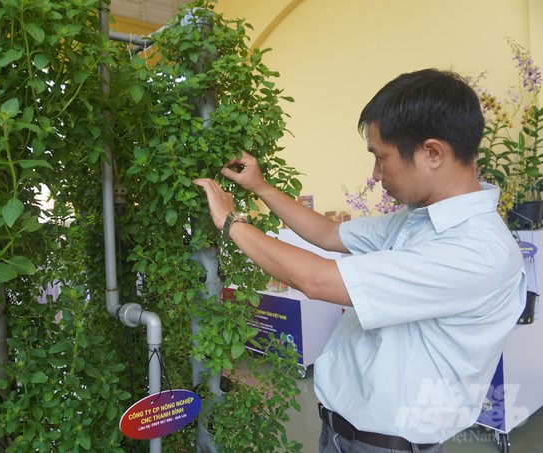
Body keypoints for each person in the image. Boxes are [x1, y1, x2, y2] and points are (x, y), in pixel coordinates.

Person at [193, 68, 526, 453]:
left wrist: (231, 223)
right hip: (342, 430)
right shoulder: (417, 221)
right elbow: (329, 235)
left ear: (432, 153)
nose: (374, 175)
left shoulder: (475, 251)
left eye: (381, 158)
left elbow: (316, 280)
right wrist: (261, 187)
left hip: (386, 445)